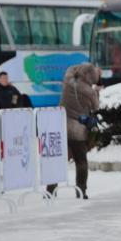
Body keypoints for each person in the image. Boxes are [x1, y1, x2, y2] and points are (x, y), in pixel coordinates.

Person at [47, 63, 100, 200]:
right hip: (78, 130)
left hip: (60, 126)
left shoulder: (68, 81)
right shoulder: (90, 92)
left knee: (58, 160)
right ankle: (81, 191)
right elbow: (96, 107)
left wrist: (80, 69)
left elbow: (69, 69)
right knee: (81, 161)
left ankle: (50, 190)